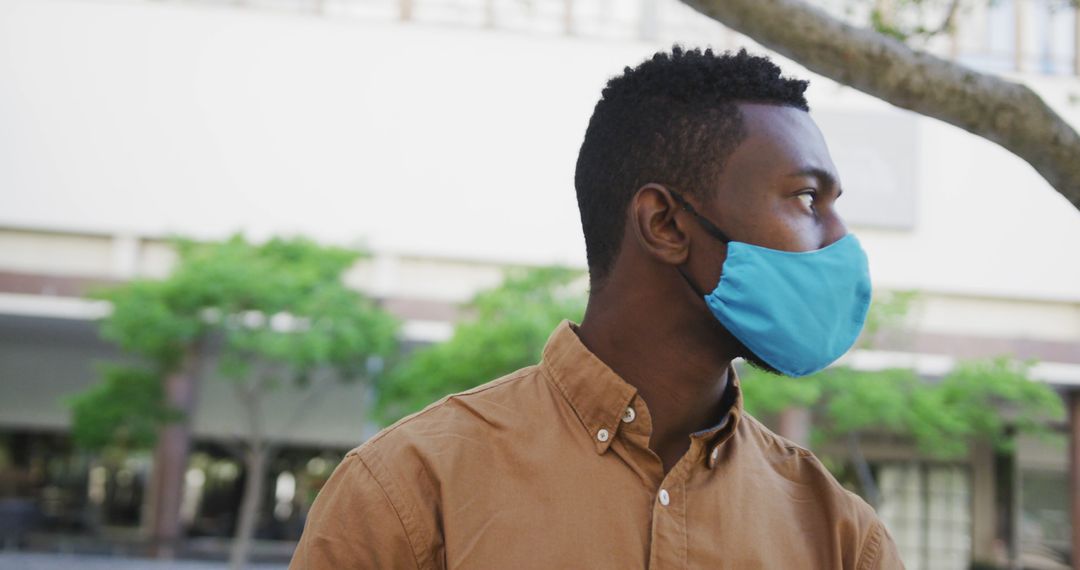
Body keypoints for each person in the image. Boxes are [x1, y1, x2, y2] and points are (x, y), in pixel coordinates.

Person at [289, 46, 904, 569]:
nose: (839, 239)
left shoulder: (844, 538)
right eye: (805, 198)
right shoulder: (407, 492)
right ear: (665, 223)